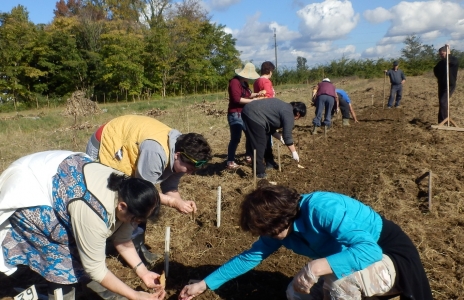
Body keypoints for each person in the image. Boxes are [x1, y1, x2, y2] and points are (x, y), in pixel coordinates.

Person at [178, 184, 433, 300]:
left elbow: (369, 251)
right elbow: (250, 256)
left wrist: (315, 267)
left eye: (264, 230)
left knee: (340, 284)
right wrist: (203, 285)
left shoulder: (322, 208)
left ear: (279, 220)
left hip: (391, 258)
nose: (263, 236)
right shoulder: (279, 229)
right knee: (294, 293)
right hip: (358, 262)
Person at [0, 151, 166, 300]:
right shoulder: (93, 213)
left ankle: (78, 285)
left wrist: (143, 272)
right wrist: (135, 295)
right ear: (122, 207)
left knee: (85, 246)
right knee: (63, 252)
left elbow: (122, 240)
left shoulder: (130, 193)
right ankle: (61, 294)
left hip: (58, 178)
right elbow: (95, 269)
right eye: (137, 219)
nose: (138, 223)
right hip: (31, 190)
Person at [86, 115, 212, 263]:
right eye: (189, 169)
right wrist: (172, 203)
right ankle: (99, 248)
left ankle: (136, 247)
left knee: (143, 207)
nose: (189, 173)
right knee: (108, 198)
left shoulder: (179, 154)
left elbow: (170, 187)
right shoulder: (156, 153)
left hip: (129, 147)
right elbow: (142, 192)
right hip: (108, 143)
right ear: (177, 155)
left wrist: (181, 202)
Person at [241, 99, 306, 178]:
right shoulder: (289, 114)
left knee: (266, 138)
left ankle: (270, 162)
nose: (297, 119)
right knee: (260, 144)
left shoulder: (285, 107)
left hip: (250, 111)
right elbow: (287, 136)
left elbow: (270, 128)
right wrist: (294, 152)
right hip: (254, 114)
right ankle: (259, 172)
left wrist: (280, 137)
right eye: (300, 117)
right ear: (298, 113)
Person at [226, 62, 265, 170]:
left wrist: (256, 94)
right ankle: (230, 161)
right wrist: (253, 101)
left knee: (249, 134)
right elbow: (237, 99)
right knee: (236, 138)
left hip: (245, 113)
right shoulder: (235, 82)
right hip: (235, 114)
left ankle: (248, 155)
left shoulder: (244, 83)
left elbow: (248, 95)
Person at [253, 61, 281, 170]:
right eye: (272, 71)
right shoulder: (266, 82)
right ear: (269, 71)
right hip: (267, 111)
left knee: (264, 136)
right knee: (267, 135)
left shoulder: (257, 81)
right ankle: (269, 161)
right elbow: (268, 97)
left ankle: (267, 160)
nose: (272, 73)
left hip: (259, 111)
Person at [433, 45, 459, 124]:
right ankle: (441, 121)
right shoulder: (440, 63)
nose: (441, 55)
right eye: (440, 54)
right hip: (442, 85)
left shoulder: (453, 60)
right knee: (442, 103)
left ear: (447, 52)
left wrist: (448, 53)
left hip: (450, 84)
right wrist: (440, 78)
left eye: (443, 53)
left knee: (443, 101)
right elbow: (435, 70)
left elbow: (451, 61)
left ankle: (445, 122)